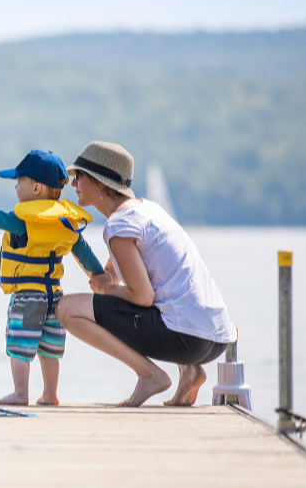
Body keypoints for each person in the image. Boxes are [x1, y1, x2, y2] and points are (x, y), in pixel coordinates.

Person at [56, 141, 237, 407]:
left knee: (66, 309)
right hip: (215, 338)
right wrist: (72, 244)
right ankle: (190, 372)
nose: (73, 183)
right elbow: (111, 277)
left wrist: (106, 289)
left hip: (186, 339)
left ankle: (149, 375)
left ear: (101, 184)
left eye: (79, 176)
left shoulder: (119, 225)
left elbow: (141, 296)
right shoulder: (146, 210)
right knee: (165, 296)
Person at [0, 149, 104, 406]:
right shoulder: (66, 222)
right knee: (49, 349)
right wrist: (100, 276)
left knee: (19, 346)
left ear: (37, 188)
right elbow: (85, 254)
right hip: (55, 297)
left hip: (27, 296)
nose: (16, 187)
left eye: (19, 182)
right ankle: (50, 394)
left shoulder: (23, 221)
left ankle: (21, 393)